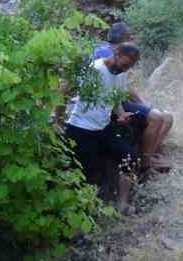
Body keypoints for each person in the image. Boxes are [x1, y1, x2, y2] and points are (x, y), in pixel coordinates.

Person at [62, 43, 141, 213]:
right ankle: (79, 220)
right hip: (80, 129)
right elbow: (66, 88)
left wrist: (121, 114)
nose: (125, 70)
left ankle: (121, 204)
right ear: (116, 53)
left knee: (131, 157)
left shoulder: (121, 74)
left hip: (103, 128)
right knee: (86, 175)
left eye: (130, 67)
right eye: (125, 65)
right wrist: (56, 116)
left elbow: (115, 98)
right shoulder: (95, 69)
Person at [91, 23, 174, 176]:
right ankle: (145, 164)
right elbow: (119, 88)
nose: (134, 40)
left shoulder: (112, 52)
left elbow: (125, 86)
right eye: (131, 37)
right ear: (124, 39)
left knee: (166, 117)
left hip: (117, 101)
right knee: (158, 118)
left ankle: (150, 155)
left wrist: (142, 104)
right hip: (112, 105)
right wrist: (142, 106)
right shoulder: (107, 52)